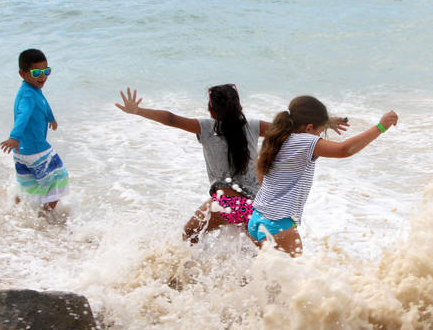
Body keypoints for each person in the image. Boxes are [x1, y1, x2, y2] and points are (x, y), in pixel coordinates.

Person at [115, 85, 348, 243]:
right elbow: (290, 130)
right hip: (254, 208)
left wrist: (138, 111)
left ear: (212, 111)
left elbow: (171, 119)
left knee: (187, 239)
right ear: (240, 107)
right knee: (268, 258)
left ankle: (185, 286)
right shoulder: (255, 126)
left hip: (224, 204)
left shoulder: (206, 127)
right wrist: (323, 123)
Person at [250, 95, 398, 256]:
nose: (319, 135)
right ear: (308, 128)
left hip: (257, 218)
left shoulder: (277, 137)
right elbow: (344, 149)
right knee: (290, 279)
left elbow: (261, 176)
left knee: (266, 277)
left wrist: (325, 123)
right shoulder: (305, 141)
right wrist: (380, 127)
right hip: (278, 224)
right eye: (320, 131)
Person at [0, 48, 70, 213]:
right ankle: (45, 214)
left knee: (28, 185)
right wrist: (14, 136)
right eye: (37, 72)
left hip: (22, 151)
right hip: (37, 149)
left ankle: (15, 211)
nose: (43, 77)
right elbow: (23, 116)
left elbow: (43, 103)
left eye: (46, 71)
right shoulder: (29, 96)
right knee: (59, 179)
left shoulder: (30, 90)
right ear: (22, 74)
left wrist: (50, 118)